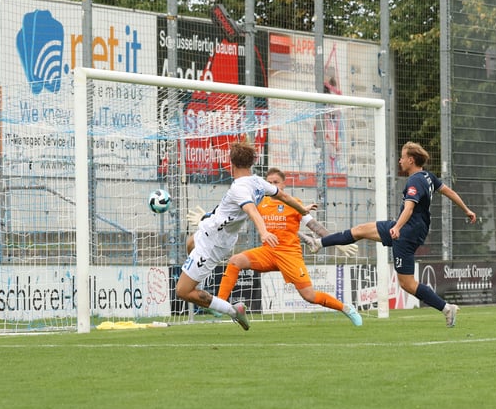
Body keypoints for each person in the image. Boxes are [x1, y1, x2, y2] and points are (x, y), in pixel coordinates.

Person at [310, 141, 475, 327]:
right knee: (360, 230)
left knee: (407, 284)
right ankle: (319, 243)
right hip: (408, 228)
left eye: (403, 157)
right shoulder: (428, 176)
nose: (400, 160)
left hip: (406, 233)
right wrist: (467, 210)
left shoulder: (415, 181)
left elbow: (409, 208)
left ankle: (446, 308)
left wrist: (397, 228)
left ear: (411, 160)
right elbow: (449, 191)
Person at [196, 167, 363, 327]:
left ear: (283, 185)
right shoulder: (261, 202)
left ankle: (346, 308)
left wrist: (337, 242)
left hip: (289, 255)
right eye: (269, 182)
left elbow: (315, 226)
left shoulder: (294, 204)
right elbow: (233, 214)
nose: (273, 185)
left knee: (309, 296)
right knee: (235, 261)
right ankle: (219, 305)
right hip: (267, 253)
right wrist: (207, 218)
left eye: (276, 182)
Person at [176, 139, 311, 330]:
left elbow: (251, 210)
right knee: (190, 242)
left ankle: (232, 310)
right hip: (211, 232)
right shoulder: (257, 181)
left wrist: (264, 232)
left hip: (213, 243)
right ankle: (201, 284)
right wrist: (302, 210)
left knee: (182, 291)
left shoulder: (239, 188)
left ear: (231, 164)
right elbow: (284, 196)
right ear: (251, 163)